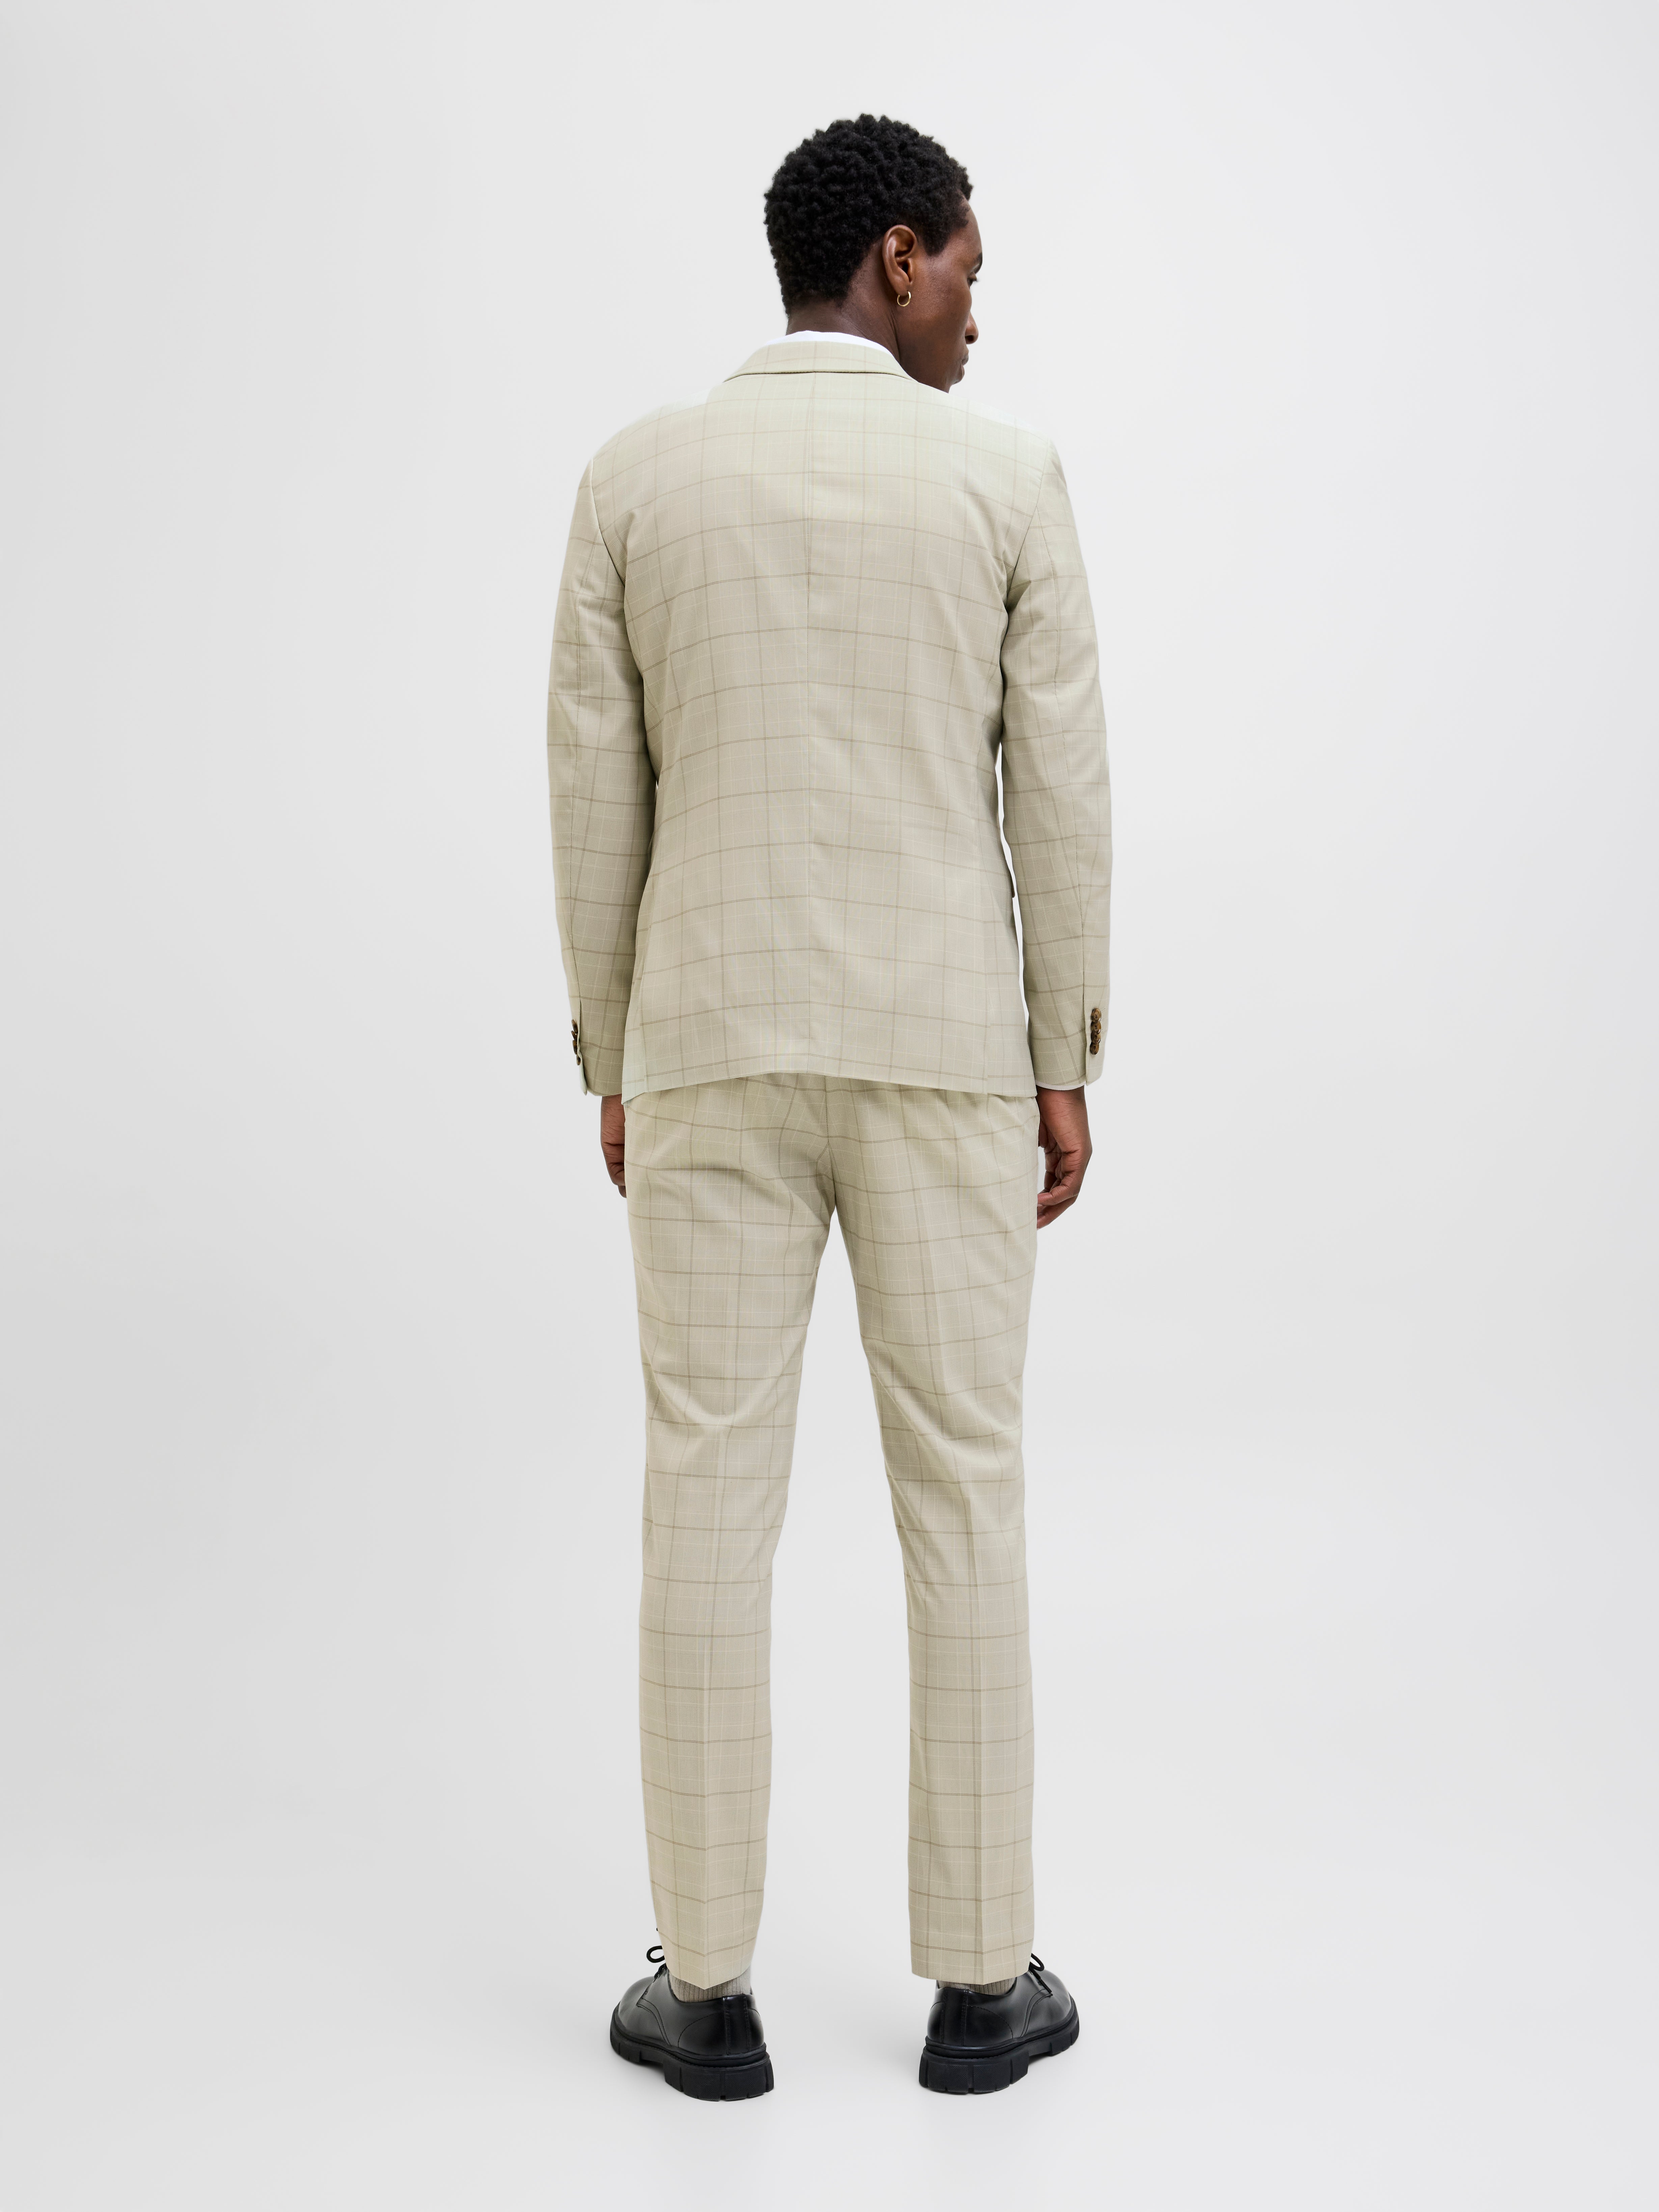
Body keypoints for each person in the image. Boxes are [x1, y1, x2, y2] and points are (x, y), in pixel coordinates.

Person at [546, 113, 1110, 2100]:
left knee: (706, 1494)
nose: (978, 308)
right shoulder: (1003, 478)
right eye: (968, 268)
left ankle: (702, 1994)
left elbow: (593, 787)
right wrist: (1062, 1055)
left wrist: (615, 1053)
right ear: (895, 257)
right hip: (947, 1050)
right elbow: (1058, 788)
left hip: (706, 1044)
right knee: (965, 1492)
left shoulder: (636, 479)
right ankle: (982, 1987)